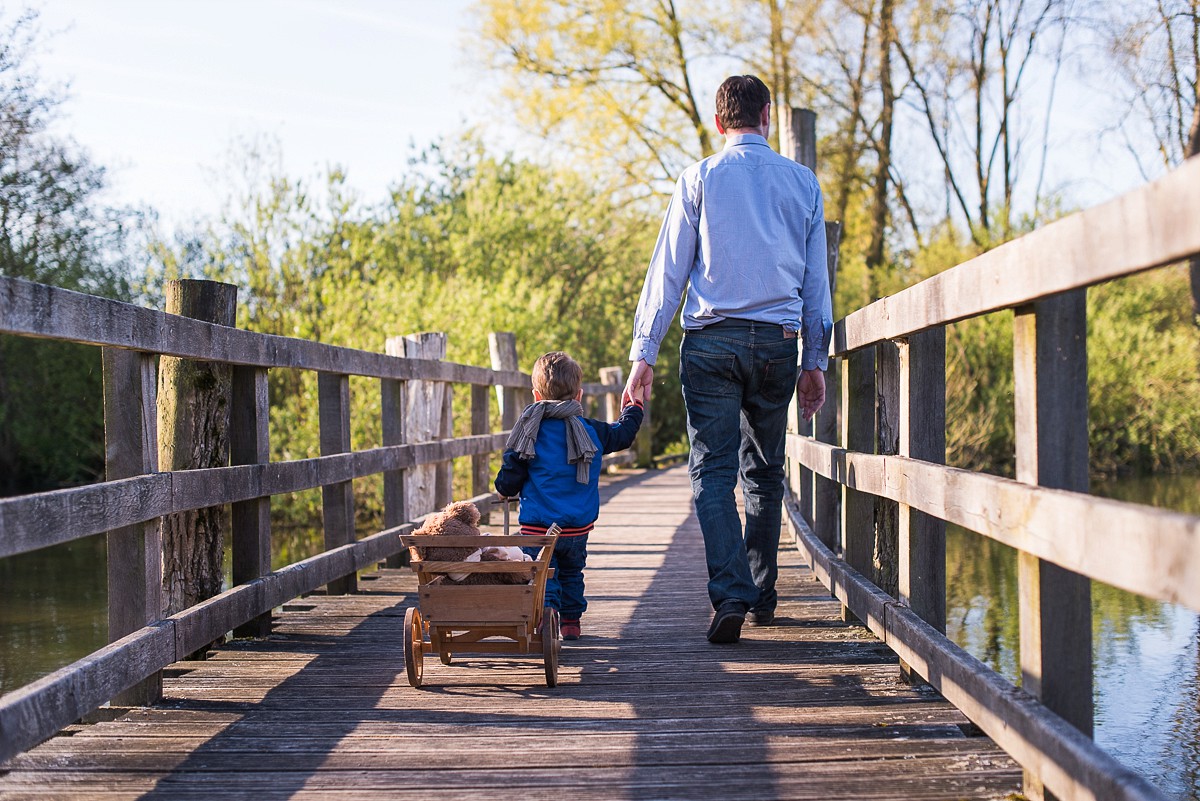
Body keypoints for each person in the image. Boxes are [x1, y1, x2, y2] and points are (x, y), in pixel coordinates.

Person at [622, 74, 833, 644]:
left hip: (711, 341)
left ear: (719, 122)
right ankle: (762, 594)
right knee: (764, 469)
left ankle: (732, 593)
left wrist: (644, 354)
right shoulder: (803, 183)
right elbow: (817, 282)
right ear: (766, 115)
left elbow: (667, 273)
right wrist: (816, 360)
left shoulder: (698, 179)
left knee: (711, 472)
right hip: (776, 343)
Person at [495, 351, 645, 640]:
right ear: (579, 395)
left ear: (536, 395)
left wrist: (502, 489)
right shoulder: (591, 431)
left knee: (542, 574)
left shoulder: (531, 433)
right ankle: (571, 623)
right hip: (577, 527)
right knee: (572, 573)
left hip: (538, 528)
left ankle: (547, 618)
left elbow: (511, 473)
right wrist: (634, 406)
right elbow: (623, 434)